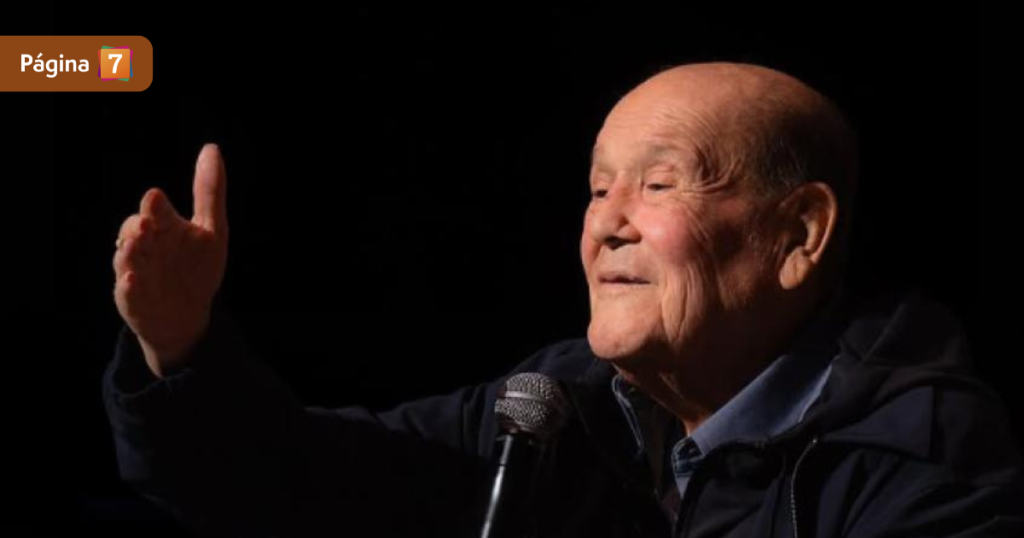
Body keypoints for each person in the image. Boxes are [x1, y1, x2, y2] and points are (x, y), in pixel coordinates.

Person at [103, 62, 1024, 537]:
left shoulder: (919, 460)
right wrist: (180, 348)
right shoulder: (559, 408)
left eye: (658, 185)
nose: (606, 225)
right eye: (597, 188)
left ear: (799, 235)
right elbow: (288, 484)